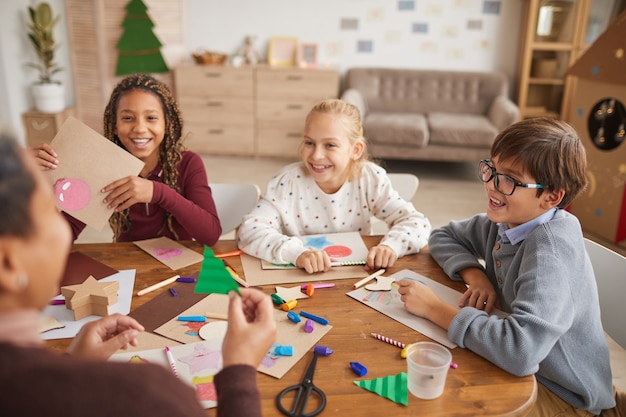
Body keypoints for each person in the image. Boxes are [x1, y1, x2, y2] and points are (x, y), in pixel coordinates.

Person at [0, 131, 276, 417]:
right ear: (9, 263)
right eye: (49, 210)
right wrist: (240, 369)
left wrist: (73, 361)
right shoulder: (149, 396)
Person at [397, 118, 618, 416]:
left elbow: (519, 351)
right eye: (492, 169)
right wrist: (476, 277)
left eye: (510, 179)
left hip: (566, 396)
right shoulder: (506, 223)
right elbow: (442, 235)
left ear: (551, 197)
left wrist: (435, 309)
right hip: (525, 372)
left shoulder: (549, 253)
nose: (491, 185)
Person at [237, 98, 431, 274]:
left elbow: (417, 223)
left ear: (355, 150)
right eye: (309, 142)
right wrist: (296, 253)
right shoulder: (287, 182)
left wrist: (391, 246)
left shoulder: (370, 178)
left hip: (355, 276)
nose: (316, 155)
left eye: (330, 145)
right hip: (301, 278)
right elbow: (249, 230)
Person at [32, 73, 221, 246]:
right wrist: (32, 184)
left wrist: (159, 193)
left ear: (167, 123)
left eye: (151, 118)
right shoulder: (102, 167)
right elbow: (64, 235)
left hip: (180, 265)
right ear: (114, 125)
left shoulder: (188, 163)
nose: (139, 128)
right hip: (128, 266)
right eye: (128, 118)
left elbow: (211, 235)